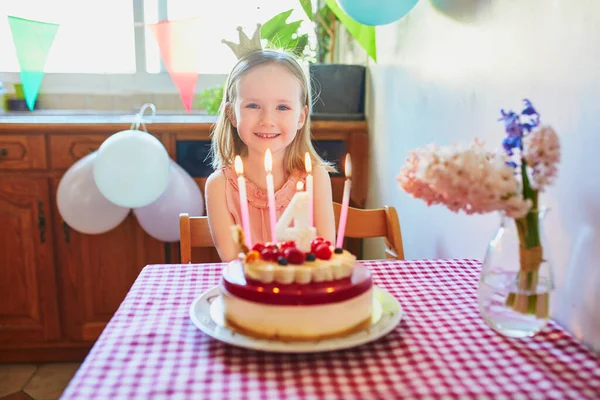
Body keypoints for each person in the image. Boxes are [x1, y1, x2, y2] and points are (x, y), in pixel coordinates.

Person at [205, 49, 336, 262]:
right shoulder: (219, 186)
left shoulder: (316, 179)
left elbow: (324, 255)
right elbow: (233, 261)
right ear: (232, 114)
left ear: (301, 117)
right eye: (253, 105)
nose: (267, 119)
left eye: (282, 107)